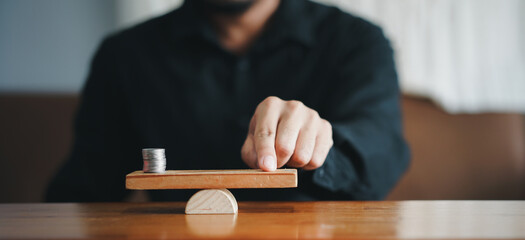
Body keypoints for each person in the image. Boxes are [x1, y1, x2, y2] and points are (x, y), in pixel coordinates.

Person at [46, 0, 410, 202]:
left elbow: (381, 154)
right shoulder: (124, 55)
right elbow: (83, 190)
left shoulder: (357, 42)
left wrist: (320, 148)